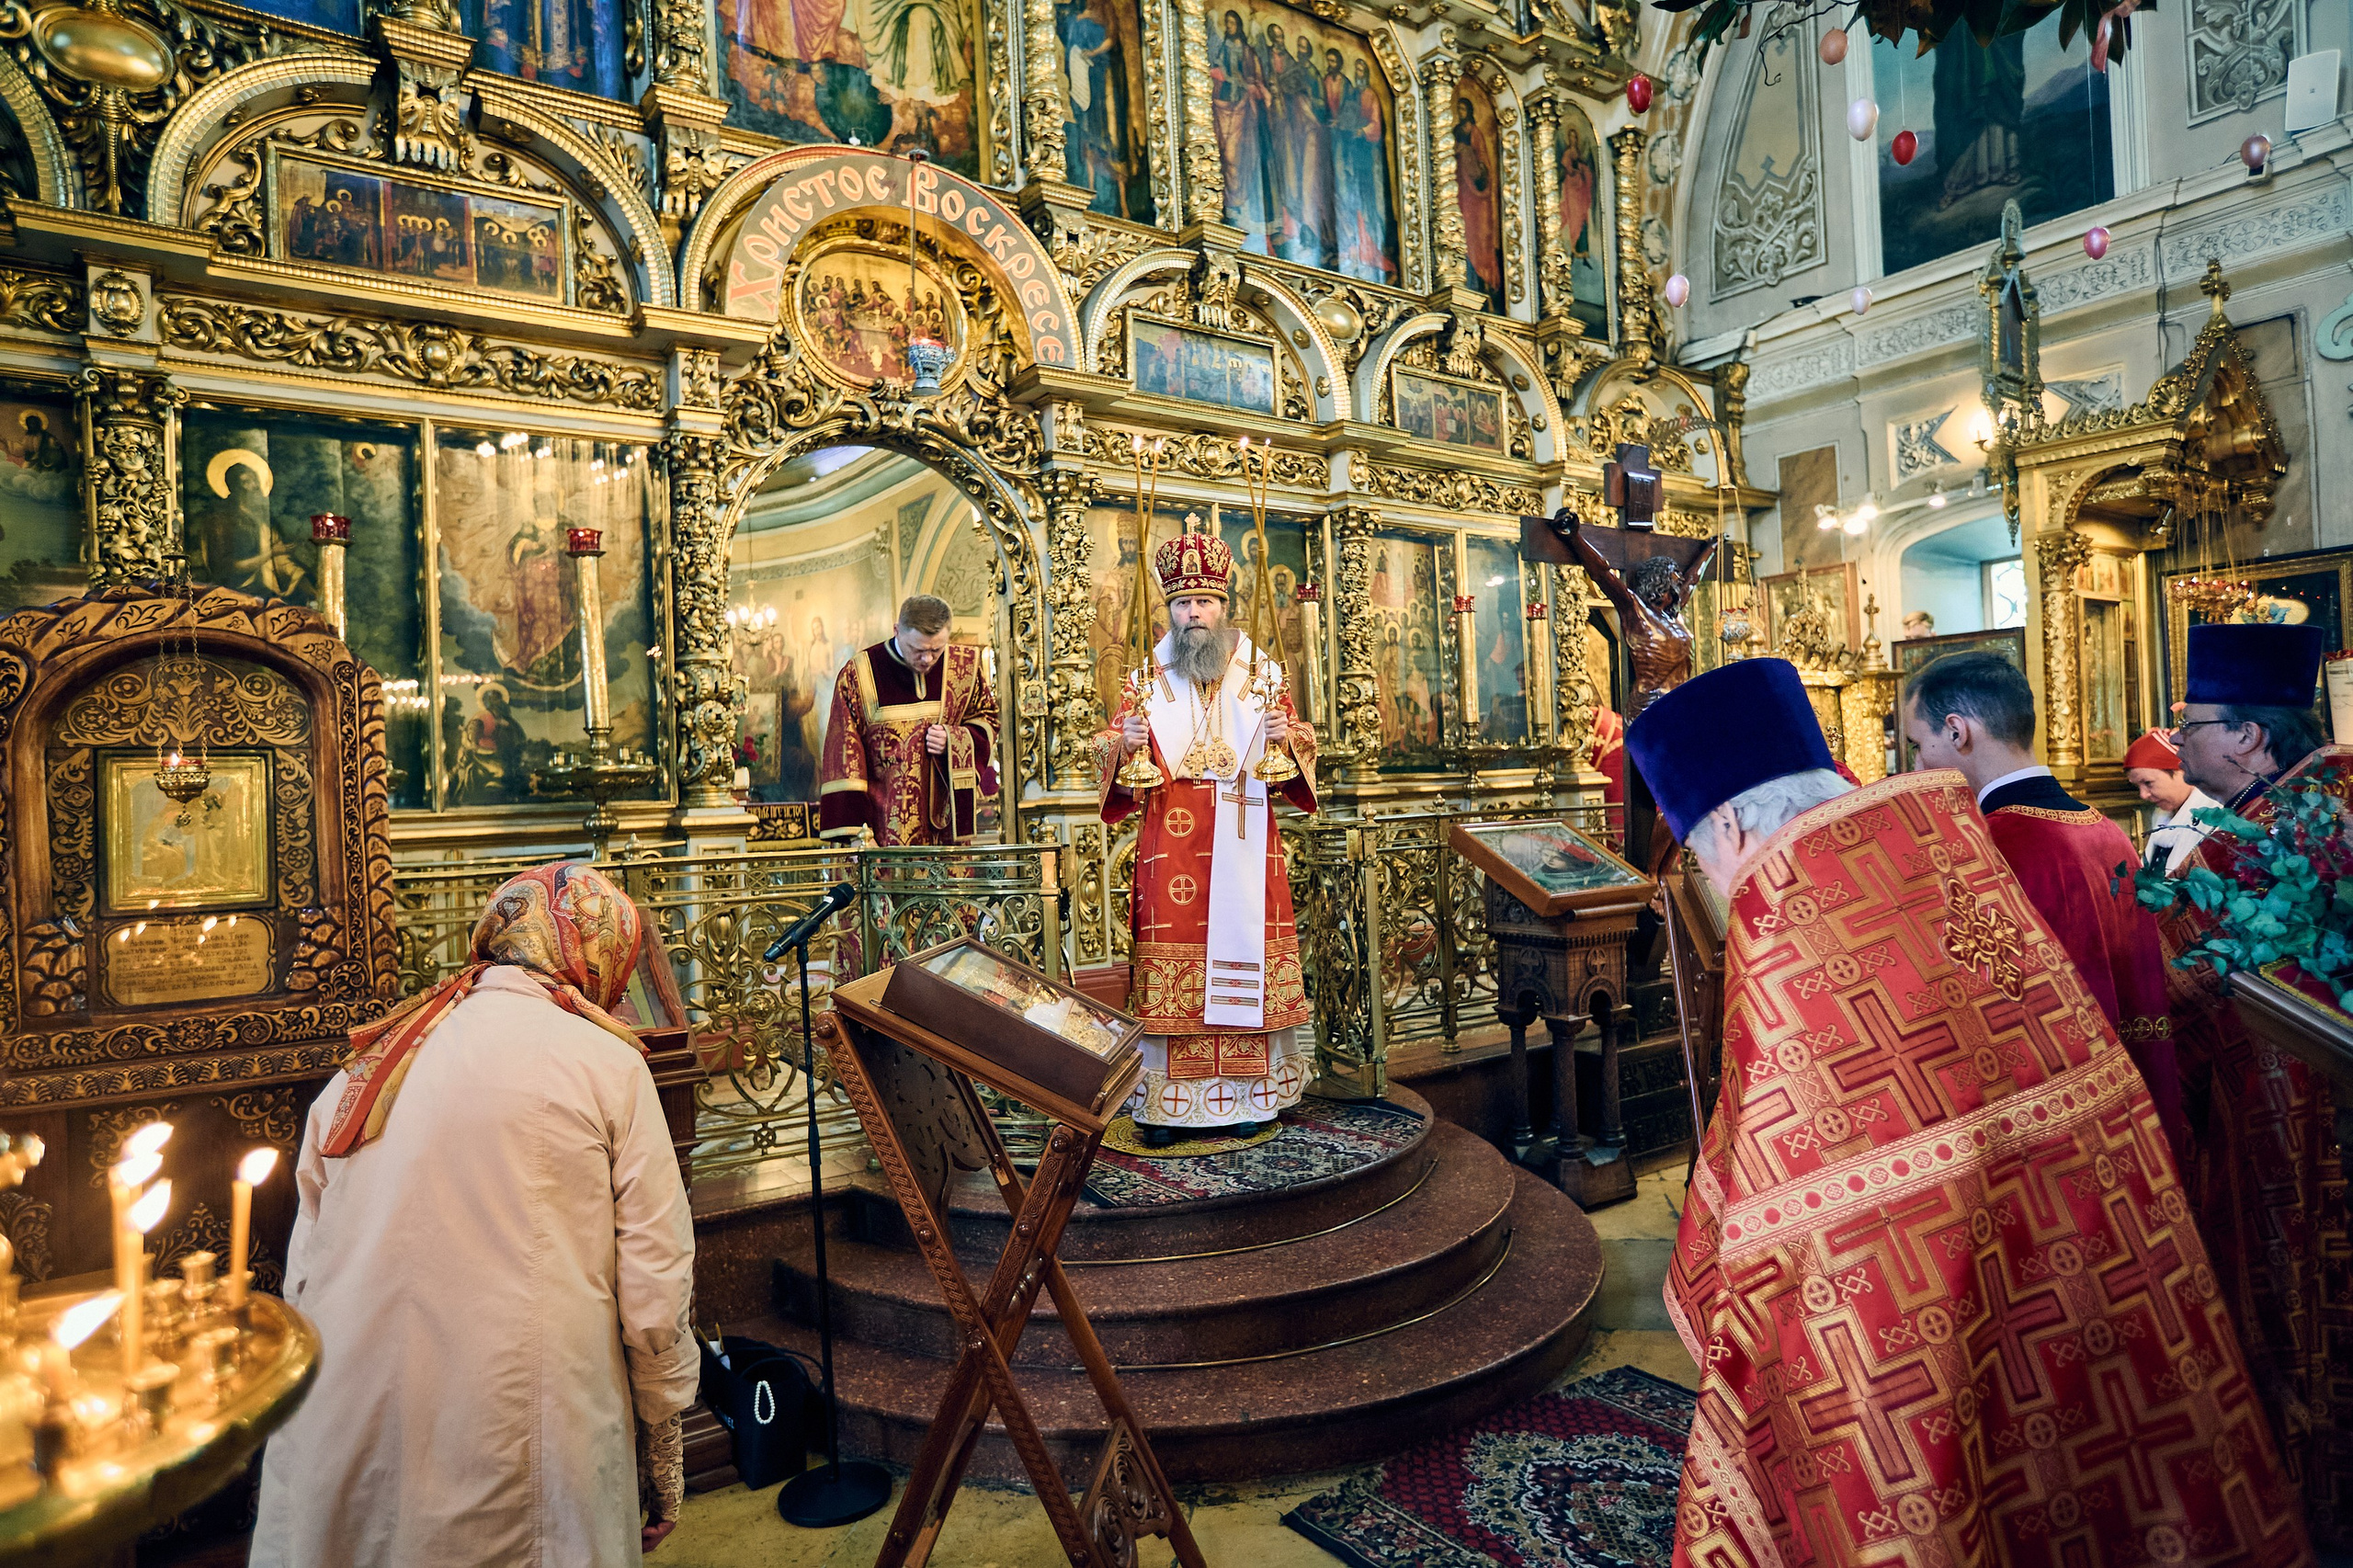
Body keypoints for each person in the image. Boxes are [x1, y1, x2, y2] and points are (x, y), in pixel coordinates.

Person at [1625, 658, 2308, 1568]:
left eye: (1706, 855)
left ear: (1737, 823)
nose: (1718, 877)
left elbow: (1784, 1205)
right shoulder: (1944, 842)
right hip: (2093, 1261)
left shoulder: (1798, 914)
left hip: (1927, 1312)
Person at [253, 864, 696, 1568]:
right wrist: (664, 1439)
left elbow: (304, 1276)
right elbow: (655, 1287)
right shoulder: (608, 1067)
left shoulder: (370, 1067)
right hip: (524, 1420)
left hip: (349, 1410)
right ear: (599, 952)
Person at [2152, 621, 2350, 1533]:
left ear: (2245, 736)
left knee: (2295, 1313)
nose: (2178, 737)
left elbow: (2167, 990)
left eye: (2190, 721)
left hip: (2283, 1134)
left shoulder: (2238, 847)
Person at [1901, 652, 2182, 1150]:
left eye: (1918, 745)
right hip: (2133, 1097)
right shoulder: (2105, 830)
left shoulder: (1997, 846)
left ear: (1956, 730)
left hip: (2058, 1123)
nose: (1918, 764)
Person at [1100, 527, 1317, 1147]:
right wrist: (1124, 745)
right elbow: (1107, 750)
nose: (1193, 614)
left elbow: (1301, 750)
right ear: (1167, 609)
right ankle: (1168, 1107)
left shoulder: (1262, 671)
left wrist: (1287, 735)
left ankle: (1252, 1096)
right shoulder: (1146, 678)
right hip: (1170, 847)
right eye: (1181, 604)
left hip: (1247, 836)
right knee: (1177, 970)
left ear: (1224, 606)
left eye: (1203, 603)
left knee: (1244, 960)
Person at [817, 593, 1001, 845]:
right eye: (917, 650)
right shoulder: (859, 673)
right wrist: (857, 835)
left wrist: (954, 740)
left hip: (944, 832)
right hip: (881, 831)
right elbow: (844, 753)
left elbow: (988, 717)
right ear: (897, 631)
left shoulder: (964, 667)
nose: (927, 659)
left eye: (936, 650)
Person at [2123, 727, 2217, 875]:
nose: (2143, 795)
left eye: (2148, 783)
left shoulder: (2212, 814)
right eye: (2137, 786)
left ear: (2182, 771)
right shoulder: (2162, 815)